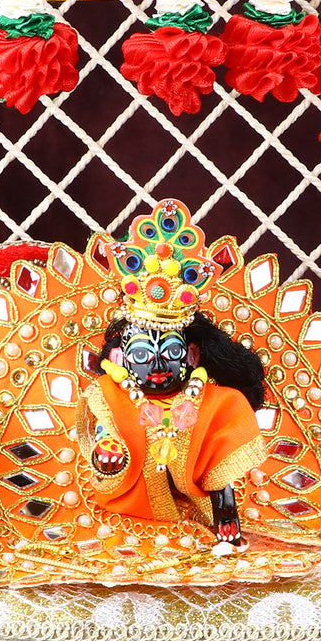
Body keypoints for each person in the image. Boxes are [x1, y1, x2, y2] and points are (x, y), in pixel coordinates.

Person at [75, 199, 268, 551]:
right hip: (129, 523)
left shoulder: (215, 404)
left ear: (192, 355)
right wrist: (107, 457)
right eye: (142, 355)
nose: (158, 366)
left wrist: (226, 514)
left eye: (171, 352)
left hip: (194, 518)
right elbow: (105, 451)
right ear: (119, 357)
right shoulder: (109, 398)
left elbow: (221, 468)